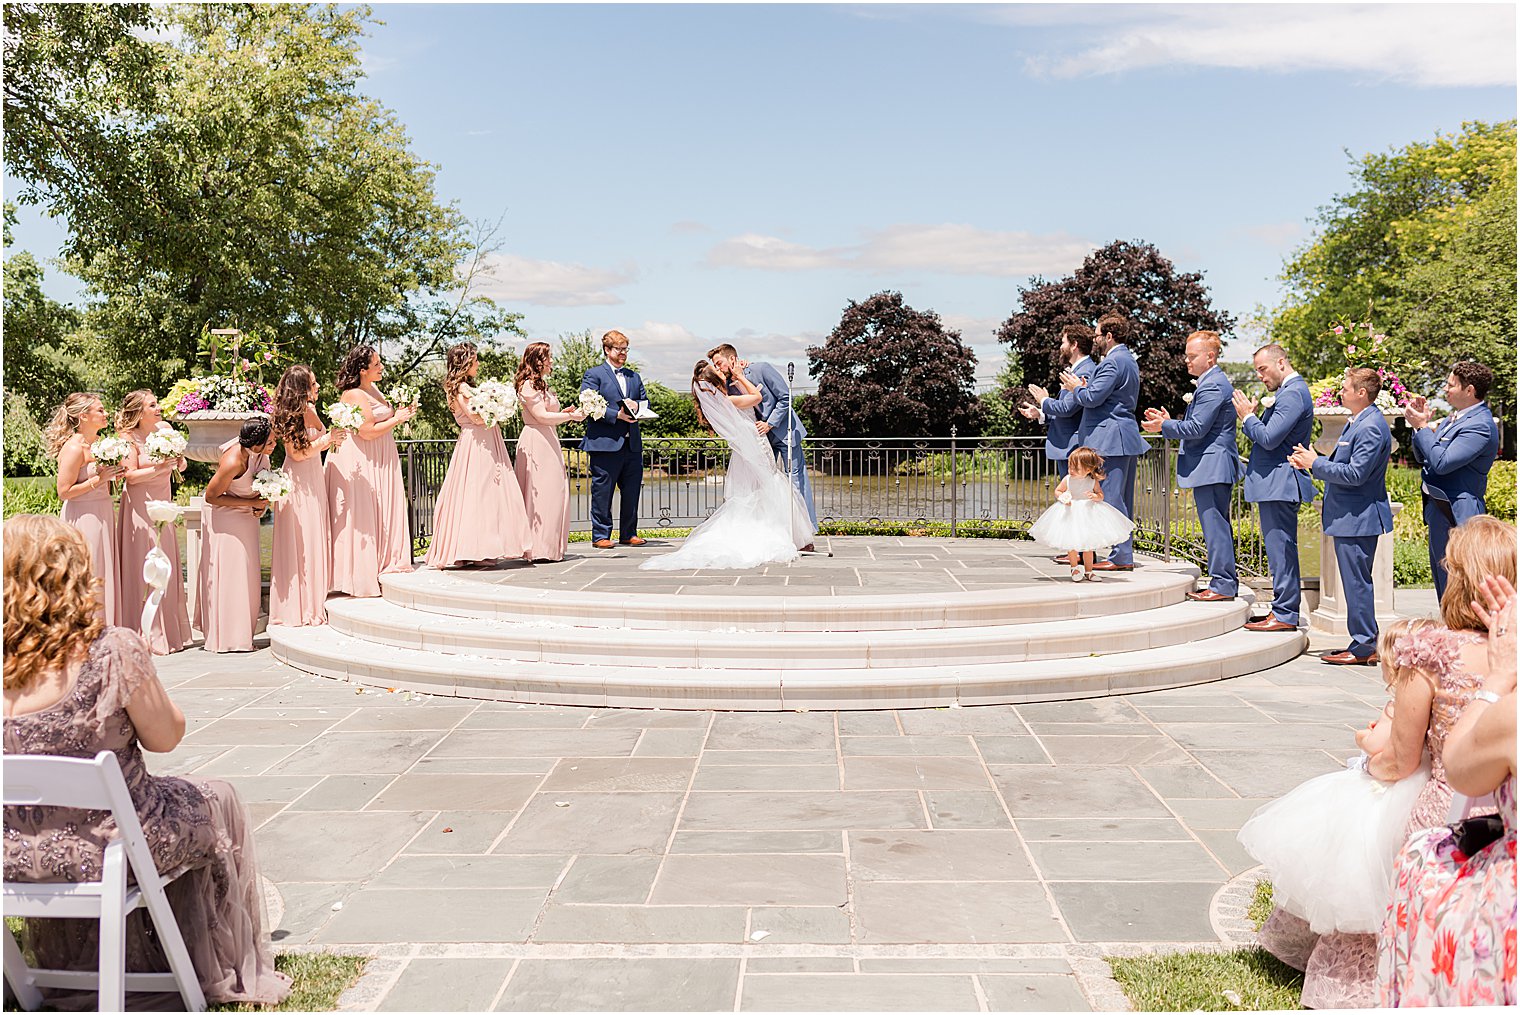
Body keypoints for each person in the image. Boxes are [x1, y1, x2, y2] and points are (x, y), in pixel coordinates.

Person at [2, 514, 291, 1008]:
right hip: (112, 854)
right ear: (75, 575)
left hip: (16, 857)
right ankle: (212, 968)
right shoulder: (111, 650)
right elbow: (166, 737)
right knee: (215, 797)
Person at [1253, 515, 1513, 1007]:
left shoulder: (1433, 652)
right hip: (1506, 812)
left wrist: (1365, 773)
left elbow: (1400, 758)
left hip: (1444, 812)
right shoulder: (1513, 655)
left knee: (1371, 873)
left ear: (1459, 579)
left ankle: (1368, 987)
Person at [1237, 622, 1436, 940]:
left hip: (1387, 787)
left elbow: (1378, 745)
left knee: (1354, 850)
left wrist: (1363, 736)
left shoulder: (1398, 704)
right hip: (1419, 781)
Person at [1378, 574, 1516, 1007]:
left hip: (1501, 898)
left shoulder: (1509, 715)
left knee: (1422, 867)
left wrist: (1498, 680)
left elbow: (1456, 766)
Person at [640, 361, 813, 571]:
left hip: (749, 444)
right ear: (716, 380)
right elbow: (757, 398)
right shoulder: (728, 400)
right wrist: (740, 376)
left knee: (761, 488)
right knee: (771, 484)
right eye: (717, 370)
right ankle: (784, 535)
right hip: (754, 442)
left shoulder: (721, 399)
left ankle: (782, 532)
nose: (721, 370)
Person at [1288, 367, 1393, 665]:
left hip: (1358, 518)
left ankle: (1364, 646)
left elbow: (1356, 474)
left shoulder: (1370, 425)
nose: (1341, 392)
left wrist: (1315, 464)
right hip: (1351, 516)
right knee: (1355, 583)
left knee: (1357, 584)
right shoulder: (1357, 421)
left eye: (1346, 387)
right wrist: (1312, 460)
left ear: (1362, 392)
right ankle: (1363, 642)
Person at [1142, 331, 1243, 601]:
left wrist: (1163, 426)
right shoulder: (1212, 382)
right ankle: (1223, 581)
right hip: (1212, 466)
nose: (1186, 361)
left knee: (1215, 527)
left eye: (1192, 356)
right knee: (1216, 525)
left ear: (1210, 357)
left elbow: (1197, 428)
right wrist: (1168, 421)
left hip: (1212, 466)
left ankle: (1222, 585)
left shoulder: (1212, 385)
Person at [425, 341, 534, 568]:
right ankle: (474, 549)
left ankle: (483, 547)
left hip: (484, 440)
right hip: (476, 444)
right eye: (475, 360)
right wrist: (498, 408)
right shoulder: (461, 388)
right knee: (479, 493)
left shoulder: (465, 386)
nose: (478, 364)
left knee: (486, 494)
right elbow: (475, 418)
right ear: (465, 363)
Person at [1234, 344, 1315, 632]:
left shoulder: (1292, 394)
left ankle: (1284, 614)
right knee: (1279, 551)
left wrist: (1247, 417)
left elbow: (1268, 438)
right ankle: (1282, 610)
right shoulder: (1286, 393)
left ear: (1281, 363)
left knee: (1282, 551)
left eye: (1262, 369)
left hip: (1280, 484)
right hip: (1275, 484)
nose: (1260, 377)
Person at [1403, 360, 1500, 598]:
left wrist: (1424, 427)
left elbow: (1442, 463)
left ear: (1470, 390)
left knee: (1460, 582)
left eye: (1451, 385)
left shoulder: (1480, 425)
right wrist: (1418, 429)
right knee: (1443, 581)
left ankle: (1464, 632)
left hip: (1459, 512)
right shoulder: (1452, 418)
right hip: (1439, 508)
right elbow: (1424, 455)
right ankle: (1448, 630)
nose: (1445, 389)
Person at [1060, 313, 1149, 571]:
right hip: (1122, 436)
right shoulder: (1128, 360)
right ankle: (1121, 553)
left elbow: (1093, 398)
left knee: (1109, 498)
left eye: (1097, 335)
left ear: (1109, 337)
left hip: (1110, 437)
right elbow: (1106, 394)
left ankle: (1121, 556)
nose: (1095, 339)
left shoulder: (1112, 362)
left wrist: (1076, 387)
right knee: (1121, 498)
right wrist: (1087, 387)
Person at [328, 344, 417, 597]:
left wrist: (402, 412)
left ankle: (384, 561)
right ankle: (359, 573)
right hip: (363, 457)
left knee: (382, 506)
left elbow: (382, 419)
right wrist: (397, 419)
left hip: (381, 453)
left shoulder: (373, 388)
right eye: (376, 364)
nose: (381, 368)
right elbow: (366, 431)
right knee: (364, 511)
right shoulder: (354, 394)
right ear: (363, 369)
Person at [708, 343, 818, 534]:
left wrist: (770, 423)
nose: (718, 368)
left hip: (785, 432)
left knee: (796, 482)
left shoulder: (762, 368)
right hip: (761, 440)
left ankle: (807, 531)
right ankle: (776, 530)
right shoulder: (727, 386)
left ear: (732, 359)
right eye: (715, 365)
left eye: (719, 363)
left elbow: (785, 397)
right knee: (766, 485)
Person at [113, 389, 191, 653]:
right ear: (139, 411)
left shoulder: (165, 428)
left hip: (163, 505)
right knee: (144, 563)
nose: (158, 409)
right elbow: (130, 476)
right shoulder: (128, 437)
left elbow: (181, 466)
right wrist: (160, 467)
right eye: (152, 405)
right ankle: (144, 631)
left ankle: (168, 633)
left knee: (165, 561)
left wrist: (178, 461)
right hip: (140, 508)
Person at [269, 365, 347, 626]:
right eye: (313, 384)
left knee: (314, 537)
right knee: (303, 540)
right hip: (299, 484)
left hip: (313, 478)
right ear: (302, 389)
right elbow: (297, 454)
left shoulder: (309, 410)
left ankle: (313, 598)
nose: (318, 388)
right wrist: (328, 440)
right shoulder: (295, 414)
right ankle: (299, 606)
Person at [46, 392, 123, 625]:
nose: (106, 413)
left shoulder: (101, 444)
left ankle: (105, 626)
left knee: (104, 570)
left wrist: (115, 475)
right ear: (83, 416)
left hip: (104, 512)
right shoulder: (73, 448)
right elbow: (64, 492)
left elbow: (105, 479)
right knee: (89, 571)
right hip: (83, 516)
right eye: (100, 410)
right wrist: (98, 480)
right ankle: (84, 629)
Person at [198, 418, 275, 653]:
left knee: (247, 576)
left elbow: (262, 488)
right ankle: (228, 639)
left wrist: (262, 504)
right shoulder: (233, 461)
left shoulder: (261, 455)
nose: (275, 444)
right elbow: (211, 497)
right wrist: (248, 502)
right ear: (256, 444)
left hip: (247, 520)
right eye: (270, 442)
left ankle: (243, 635)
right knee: (232, 575)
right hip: (226, 519)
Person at [515, 341, 585, 563]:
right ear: (538, 360)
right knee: (541, 494)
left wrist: (564, 413)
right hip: (536, 441)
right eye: (549, 357)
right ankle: (537, 548)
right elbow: (541, 417)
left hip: (549, 440)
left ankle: (550, 546)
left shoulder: (542, 385)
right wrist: (571, 417)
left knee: (555, 492)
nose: (552, 361)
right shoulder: (527, 385)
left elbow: (548, 415)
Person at [579, 330, 647, 549]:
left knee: (632, 491)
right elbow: (588, 405)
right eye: (619, 349)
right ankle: (600, 535)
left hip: (632, 444)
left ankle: (629, 533)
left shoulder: (634, 376)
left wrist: (638, 406)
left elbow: (645, 401)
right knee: (602, 492)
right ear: (607, 350)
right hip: (604, 443)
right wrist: (615, 415)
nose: (623, 353)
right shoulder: (594, 374)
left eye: (626, 349)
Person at [1027, 446, 1135, 582]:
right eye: (1069, 467)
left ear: (1088, 469)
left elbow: (1101, 495)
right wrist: (1062, 497)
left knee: (1088, 545)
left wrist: (1095, 497)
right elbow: (1058, 491)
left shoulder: (1092, 481)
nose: (1071, 471)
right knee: (1071, 543)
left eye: (1075, 468)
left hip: (1088, 514)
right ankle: (1075, 568)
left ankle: (1089, 571)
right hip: (1071, 512)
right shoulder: (1068, 479)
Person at [1022, 324, 1097, 479]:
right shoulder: (1077, 370)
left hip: (1073, 447)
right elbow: (1068, 411)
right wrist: (1041, 414)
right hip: (1067, 447)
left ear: (1074, 345)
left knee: (1076, 499)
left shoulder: (1085, 371)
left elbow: (1067, 409)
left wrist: (1044, 399)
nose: (1061, 347)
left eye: (1063, 342)